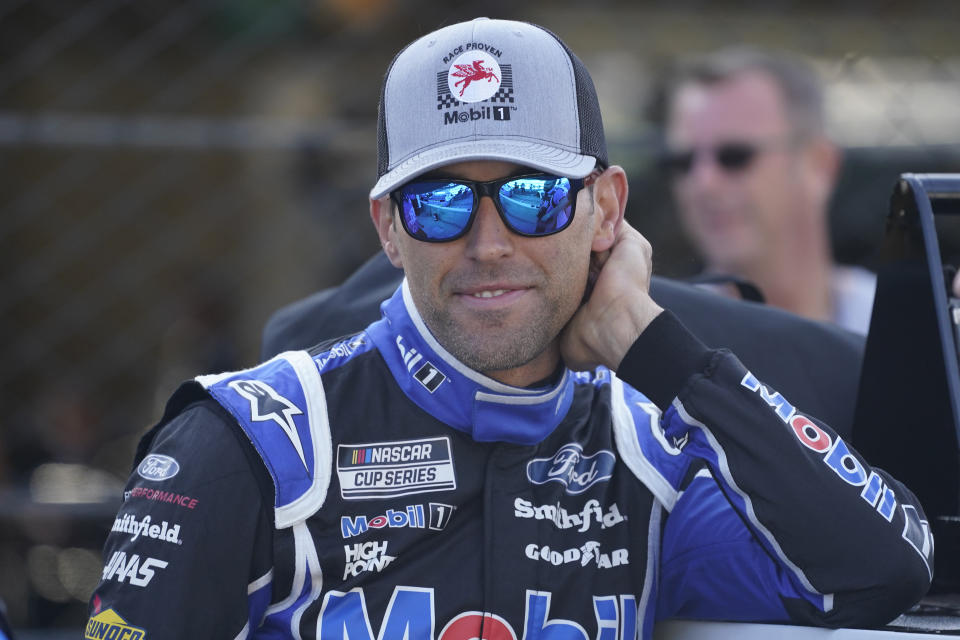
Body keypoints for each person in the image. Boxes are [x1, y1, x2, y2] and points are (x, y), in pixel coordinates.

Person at [87, 19, 932, 639]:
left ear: (604, 210)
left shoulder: (651, 449)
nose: (490, 243)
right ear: (387, 227)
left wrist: (656, 347)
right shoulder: (252, 441)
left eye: (534, 196)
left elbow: (882, 570)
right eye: (441, 201)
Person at [659, 47, 876, 335]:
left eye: (735, 156)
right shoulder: (666, 339)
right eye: (683, 162)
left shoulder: (907, 327)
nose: (703, 182)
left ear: (819, 166)